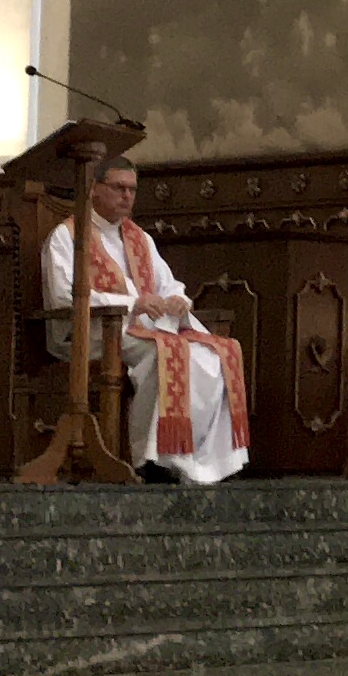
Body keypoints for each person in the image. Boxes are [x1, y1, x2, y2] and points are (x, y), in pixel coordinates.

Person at [41, 159, 250, 484]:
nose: (127, 196)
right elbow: (64, 297)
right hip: (92, 332)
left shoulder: (139, 239)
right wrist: (133, 303)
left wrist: (178, 299)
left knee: (215, 354)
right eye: (119, 188)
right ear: (94, 189)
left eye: (132, 189)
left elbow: (167, 283)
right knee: (161, 354)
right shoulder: (67, 236)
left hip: (141, 329)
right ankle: (149, 459)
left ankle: (205, 461)